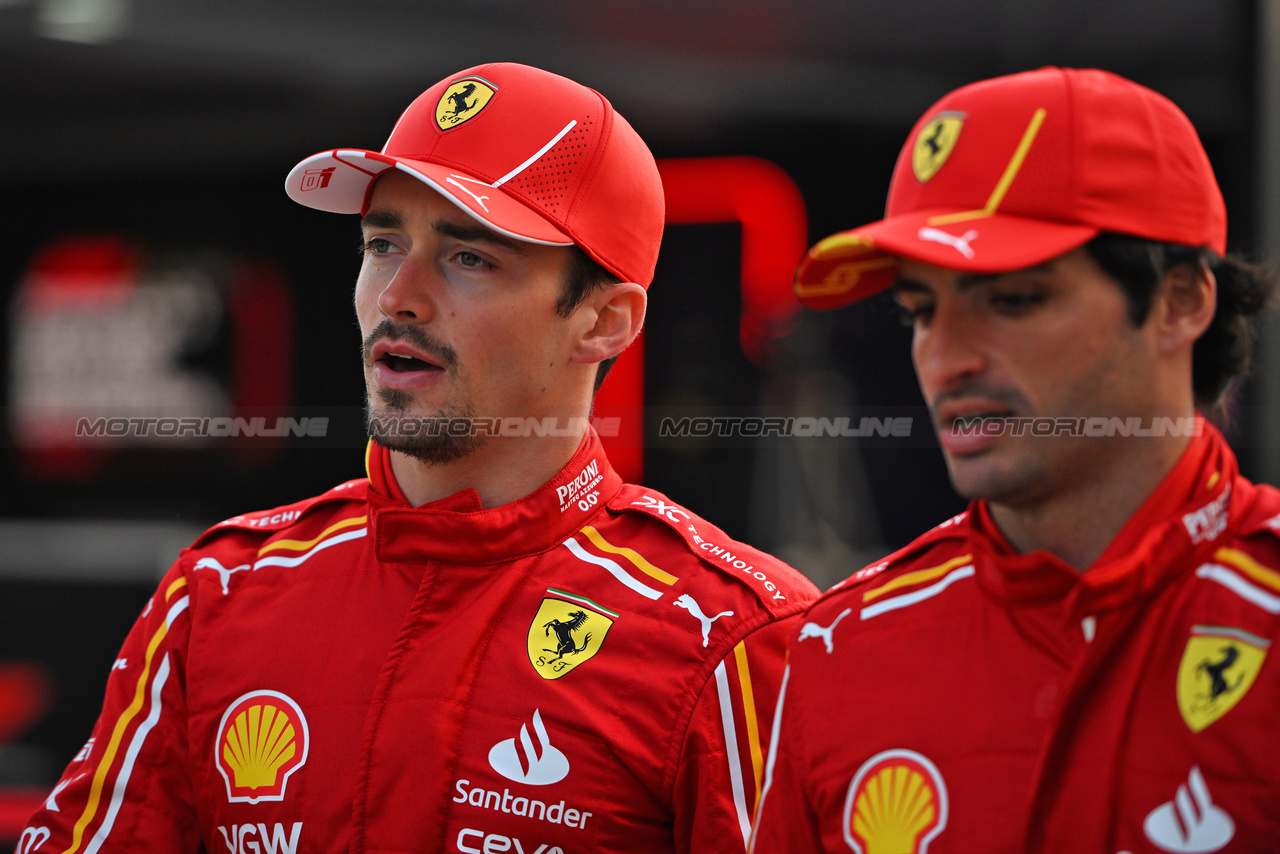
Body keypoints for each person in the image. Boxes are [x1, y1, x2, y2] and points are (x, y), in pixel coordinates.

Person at [20, 62, 818, 854]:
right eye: (382, 243)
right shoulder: (222, 593)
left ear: (604, 322)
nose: (400, 293)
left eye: (469, 257)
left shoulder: (733, 637)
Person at [750, 67, 1280, 853]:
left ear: (1181, 302)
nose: (945, 358)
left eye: (1012, 301)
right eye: (921, 311)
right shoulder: (841, 646)